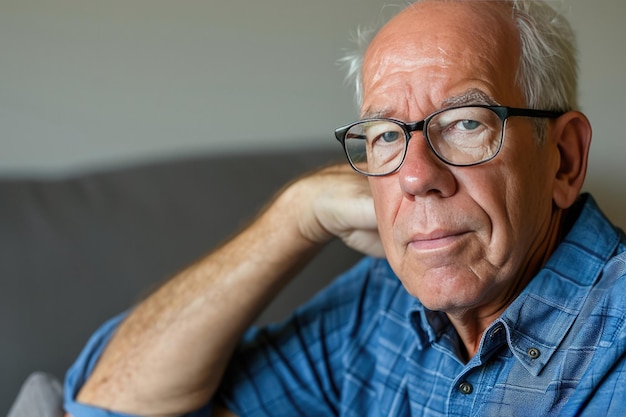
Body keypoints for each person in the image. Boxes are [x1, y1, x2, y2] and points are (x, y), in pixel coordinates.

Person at [63, 0, 626, 416]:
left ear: (564, 161)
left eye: (464, 124)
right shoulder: (381, 307)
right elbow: (111, 403)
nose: (415, 176)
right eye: (385, 135)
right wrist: (297, 213)